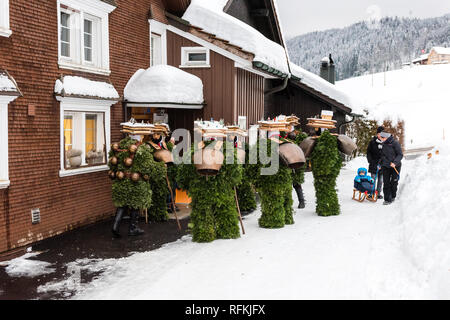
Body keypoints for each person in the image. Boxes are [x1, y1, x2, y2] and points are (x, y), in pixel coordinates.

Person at [379, 131, 403, 205]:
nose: (381, 140)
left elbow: (400, 154)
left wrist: (395, 162)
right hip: (386, 166)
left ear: (385, 137)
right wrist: (380, 164)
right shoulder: (383, 144)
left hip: (395, 166)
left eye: (382, 138)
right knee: (386, 182)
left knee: (394, 182)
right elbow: (382, 155)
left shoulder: (395, 143)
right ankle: (387, 199)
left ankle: (393, 196)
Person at [366, 126, 385, 199]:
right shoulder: (372, 142)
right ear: (377, 134)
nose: (381, 135)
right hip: (374, 163)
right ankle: (371, 193)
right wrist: (370, 161)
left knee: (380, 180)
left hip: (382, 165)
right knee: (373, 179)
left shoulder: (385, 143)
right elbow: (368, 152)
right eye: (380, 134)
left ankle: (378, 193)